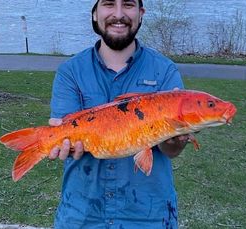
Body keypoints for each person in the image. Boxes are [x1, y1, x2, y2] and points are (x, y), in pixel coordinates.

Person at [48, 0, 190, 228]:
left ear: (140, 13)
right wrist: (58, 141)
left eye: (128, 5)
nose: (118, 14)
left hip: (149, 215)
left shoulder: (164, 71)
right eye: (108, 4)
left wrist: (178, 139)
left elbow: (171, 151)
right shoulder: (70, 71)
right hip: (82, 215)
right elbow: (65, 133)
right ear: (95, 13)